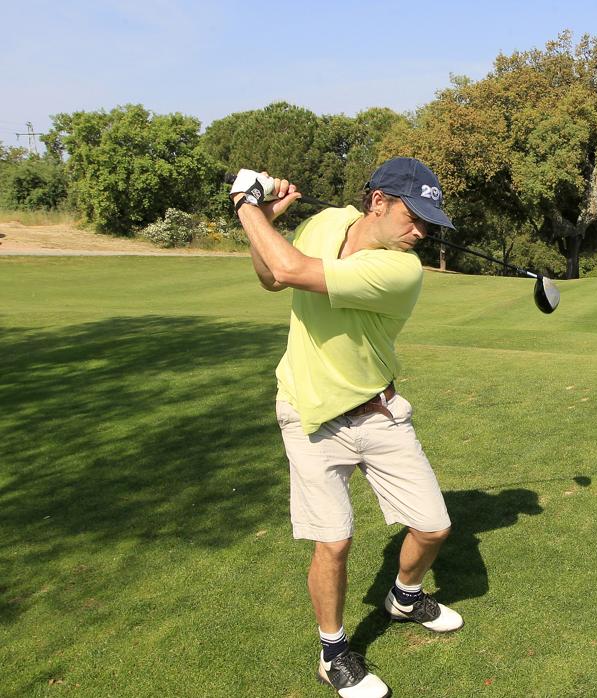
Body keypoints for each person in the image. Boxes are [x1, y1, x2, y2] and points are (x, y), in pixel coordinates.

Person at [231, 158, 463, 698]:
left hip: (379, 412)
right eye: (415, 216)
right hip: (310, 415)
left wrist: (247, 207)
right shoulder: (325, 222)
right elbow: (271, 276)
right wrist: (264, 218)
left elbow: (291, 271)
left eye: (430, 223)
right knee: (333, 543)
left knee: (433, 526)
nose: (421, 231)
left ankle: (404, 597)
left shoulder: (401, 269)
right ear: (377, 201)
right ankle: (333, 652)